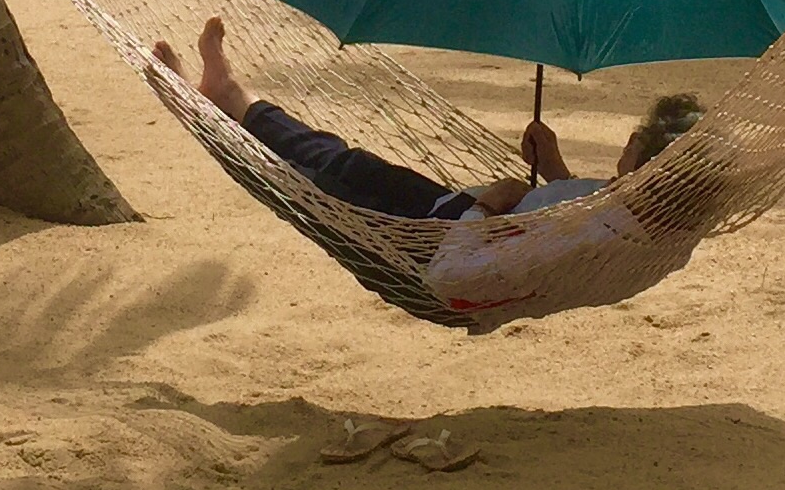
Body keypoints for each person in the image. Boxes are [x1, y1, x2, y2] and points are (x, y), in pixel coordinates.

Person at [153, 19, 713, 327]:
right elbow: (563, 215)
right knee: (343, 160)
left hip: (424, 253)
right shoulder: (649, 218)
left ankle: (201, 109)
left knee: (306, 181)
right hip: (443, 215)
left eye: (634, 145)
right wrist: (553, 168)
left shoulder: (601, 231)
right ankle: (232, 96)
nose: (623, 149)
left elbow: (456, 275)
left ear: (645, 164)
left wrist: (489, 205)